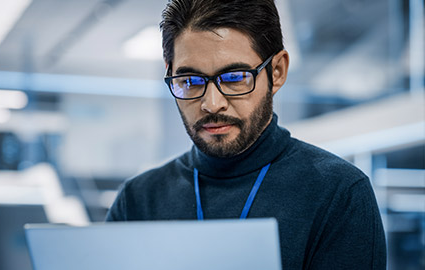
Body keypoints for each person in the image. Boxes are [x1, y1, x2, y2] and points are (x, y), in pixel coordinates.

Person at [106, 0, 386, 269]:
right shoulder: (138, 200)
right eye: (190, 81)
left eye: (234, 77)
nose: (212, 103)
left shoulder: (338, 193)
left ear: (276, 72)